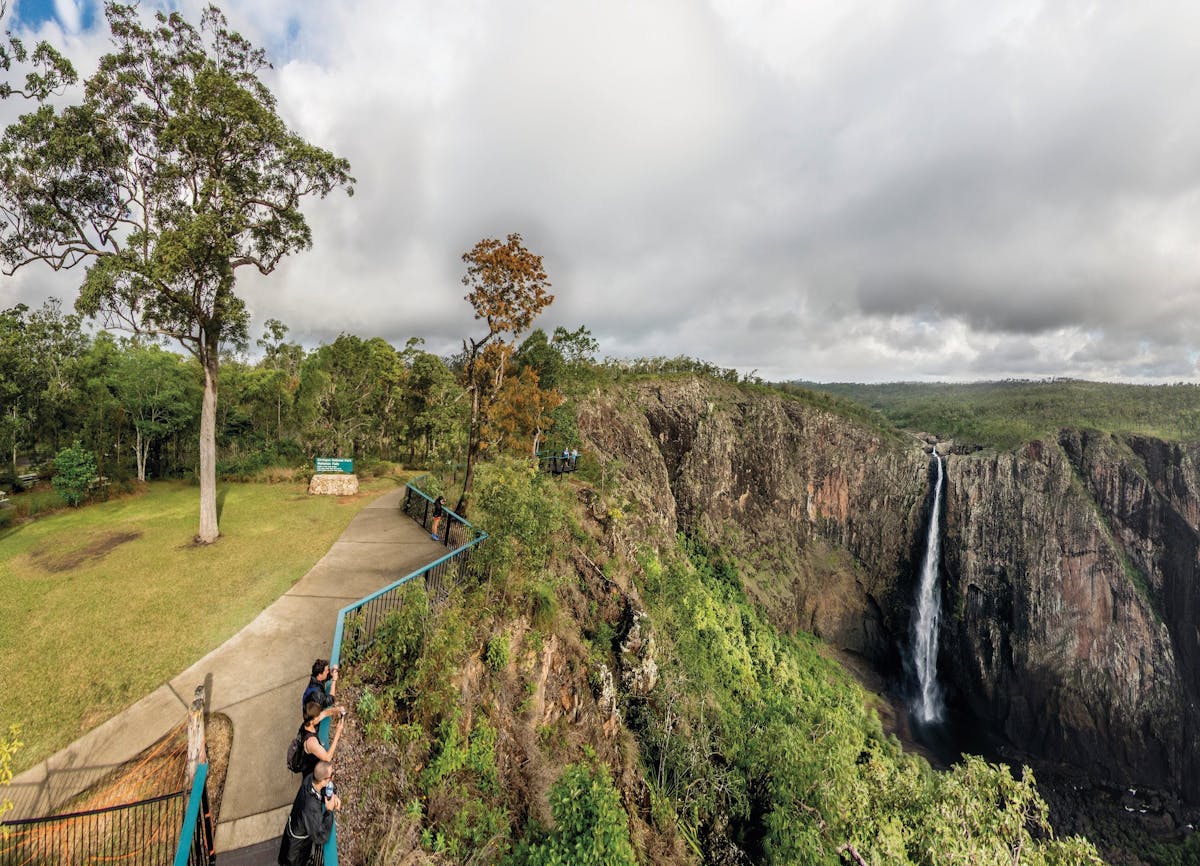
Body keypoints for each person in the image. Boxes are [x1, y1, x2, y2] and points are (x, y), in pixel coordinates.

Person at [277, 760, 341, 866]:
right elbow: (320, 837)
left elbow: (324, 788)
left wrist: (333, 795)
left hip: (293, 830)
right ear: (324, 780)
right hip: (296, 849)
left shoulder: (310, 779)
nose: (333, 777)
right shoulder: (311, 807)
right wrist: (329, 811)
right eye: (331, 775)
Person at [295, 700, 346, 779]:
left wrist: (337, 710)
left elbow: (325, 713)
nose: (320, 716)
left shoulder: (308, 722)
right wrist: (338, 733)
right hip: (311, 770)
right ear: (312, 720)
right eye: (318, 716)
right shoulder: (311, 742)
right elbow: (327, 757)